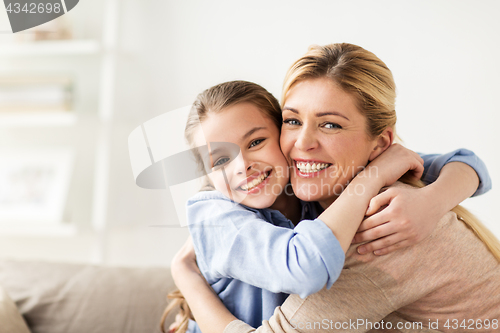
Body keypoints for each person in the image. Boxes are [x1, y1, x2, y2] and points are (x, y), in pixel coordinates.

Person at [170, 43, 499, 333]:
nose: (303, 143)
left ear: (380, 146)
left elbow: (464, 161)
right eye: (294, 121)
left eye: (330, 125)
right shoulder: (239, 203)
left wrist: (431, 200)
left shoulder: (385, 229)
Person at [162, 81, 430, 333]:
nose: (243, 166)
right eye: (220, 160)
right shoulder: (214, 217)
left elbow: (438, 161)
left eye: (255, 142)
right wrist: (374, 176)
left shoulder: (309, 183)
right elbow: (305, 268)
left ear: (284, 135)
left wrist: (436, 197)